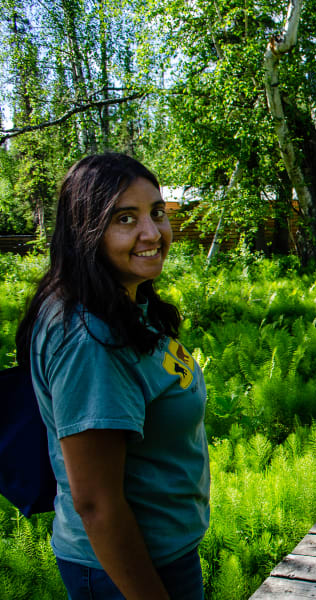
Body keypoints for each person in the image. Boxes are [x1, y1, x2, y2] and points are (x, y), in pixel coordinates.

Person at [15, 153, 210, 600]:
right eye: (126, 218)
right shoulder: (90, 340)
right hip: (126, 572)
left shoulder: (124, 303)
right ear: (86, 232)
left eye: (157, 213)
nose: (152, 232)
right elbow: (96, 503)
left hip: (163, 553)